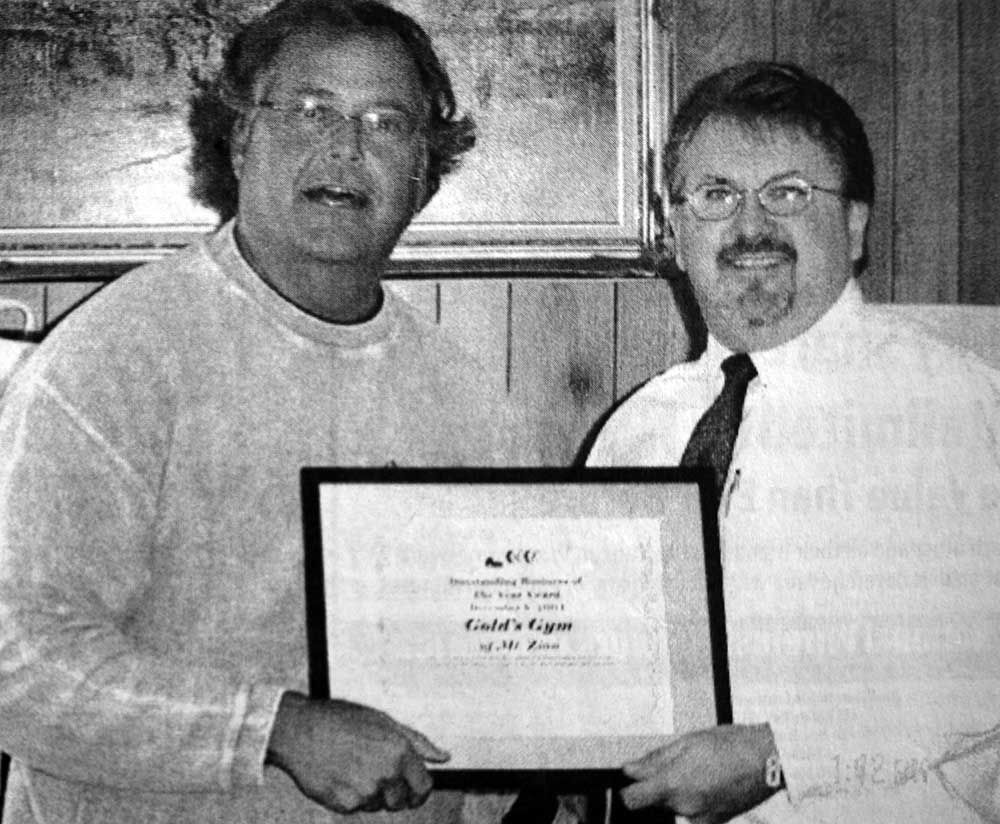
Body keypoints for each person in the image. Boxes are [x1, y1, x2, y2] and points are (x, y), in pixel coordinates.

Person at [0, 2, 535, 822]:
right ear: (241, 140)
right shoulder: (114, 357)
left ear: (425, 171)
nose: (346, 148)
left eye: (386, 123)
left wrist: (560, 748)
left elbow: (497, 675)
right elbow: (18, 660)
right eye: (310, 111)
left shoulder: (469, 398)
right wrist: (273, 727)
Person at [587, 62, 1000, 823]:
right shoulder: (636, 431)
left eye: (787, 193)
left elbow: (983, 671)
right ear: (676, 231)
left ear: (853, 225)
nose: (749, 228)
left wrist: (782, 755)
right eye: (715, 196)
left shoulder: (953, 405)